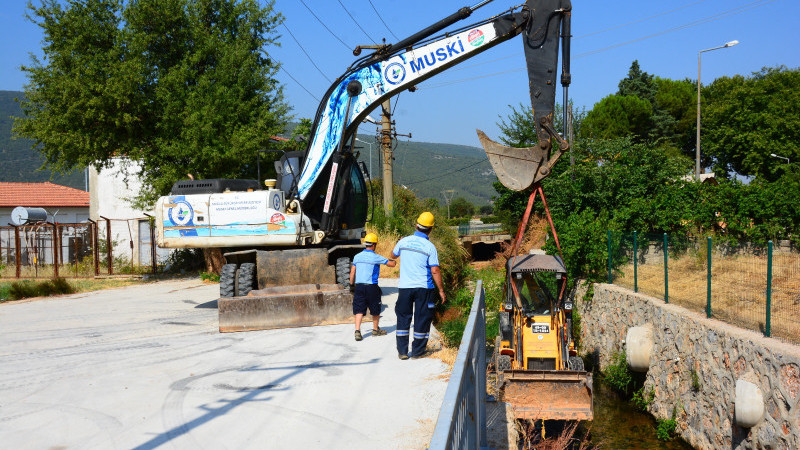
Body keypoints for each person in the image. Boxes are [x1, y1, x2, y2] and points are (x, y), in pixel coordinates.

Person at [391, 212, 446, 360]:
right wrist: (441, 290)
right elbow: (434, 270)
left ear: (416, 225)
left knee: (403, 317)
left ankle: (402, 352)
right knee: (422, 318)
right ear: (430, 229)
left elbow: (393, 255)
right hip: (424, 288)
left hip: (405, 287)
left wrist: (399, 244)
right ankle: (417, 352)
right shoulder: (430, 246)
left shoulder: (404, 242)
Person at [349, 232, 396, 341]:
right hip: (372, 287)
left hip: (359, 286)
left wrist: (351, 285)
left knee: (359, 309)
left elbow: (352, 273)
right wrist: (394, 258)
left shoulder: (357, 256)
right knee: (375, 309)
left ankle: (357, 331)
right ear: (374, 245)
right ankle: (375, 330)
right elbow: (392, 264)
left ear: (366, 244)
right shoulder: (376, 257)